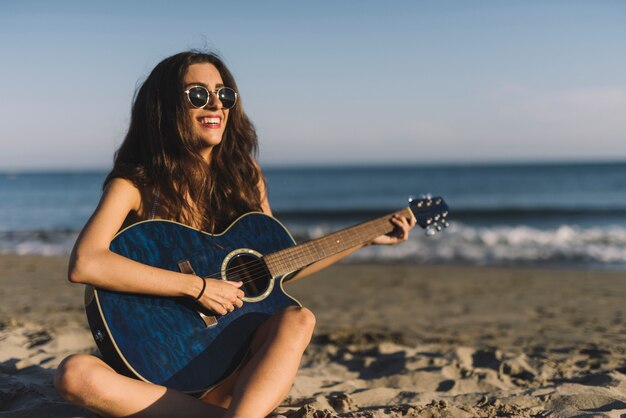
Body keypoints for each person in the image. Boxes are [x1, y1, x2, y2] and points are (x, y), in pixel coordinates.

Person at [53, 50, 416, 418]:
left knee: (298, 318)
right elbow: (86, 262)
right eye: (198, 95)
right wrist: (198, 287)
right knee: (75, 375)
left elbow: (276, 269)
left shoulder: (246, 177)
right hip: (151, 369)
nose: (216, 104)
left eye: (224, 95)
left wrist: (363, 239)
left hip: (231, 372)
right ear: (164, 107)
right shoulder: (135, 184)